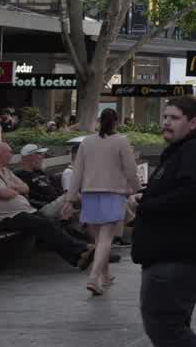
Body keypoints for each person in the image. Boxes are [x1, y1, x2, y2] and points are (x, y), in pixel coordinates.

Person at [131, 95, 196, 347]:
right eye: (165, 117)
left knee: (165, 325)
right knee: (170, 324)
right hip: (170, 254)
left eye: (174, 118)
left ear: (192, 123)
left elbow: (193, 193)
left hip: (178, 255)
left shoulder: (194, 152)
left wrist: (147, 205)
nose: (166, 123)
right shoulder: (180, 152)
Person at [0, 142, 94, 270]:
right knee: (44, 224)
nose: (12, 155)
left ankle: (79, 257)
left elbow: (25, 188)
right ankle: (82, 250)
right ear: (1, 154)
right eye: (9, 152)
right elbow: (6, 194)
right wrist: (15, 189)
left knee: (50, 223)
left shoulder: (6, 172)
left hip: (24, 212)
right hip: (6, 217)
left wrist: (13, 188)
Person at [62, 107, 139, 295]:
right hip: (112, 193)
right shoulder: (121, 142)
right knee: (106, 240)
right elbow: (131, 170)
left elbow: (77, 171)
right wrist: (136, 188)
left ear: (99, 121)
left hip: (89, 194)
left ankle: (106, 275)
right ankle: (94, 278)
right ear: (117, 122)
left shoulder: (86, 142)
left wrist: (70, 198)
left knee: (99, 239)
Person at [14, 144, 67, 221]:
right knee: (75, 194)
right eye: (39, 154)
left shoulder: (41, 172)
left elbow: (57, 188)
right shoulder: (19, 175)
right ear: (29, 157)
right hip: (43, 209)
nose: (43, 156)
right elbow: (30, 198)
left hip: (58, 203)